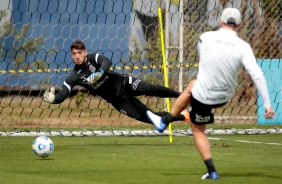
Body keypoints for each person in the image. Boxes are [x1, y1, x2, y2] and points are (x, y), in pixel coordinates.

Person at [146, 7, 275, 180]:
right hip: (224, 97)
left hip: (204, 95)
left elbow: (206, 58)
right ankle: (166, 120)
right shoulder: (244, 46)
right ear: (239, 25)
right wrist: (267, 104)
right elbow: (257, 74)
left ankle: (210, 169)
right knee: (192, 86)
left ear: (220, 21)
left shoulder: (205, 37)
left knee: (198, 130)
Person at [43, 40, 190, 125]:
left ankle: (182, 95)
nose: (77, 56)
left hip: (123, 82)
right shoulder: (74, 76)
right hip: (118, 100)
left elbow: (106, 61)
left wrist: (100, 73)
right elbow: (63, 93)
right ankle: (184, 116)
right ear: (71, 56)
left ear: (85, 53)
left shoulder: (93, 58)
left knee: (150, 88)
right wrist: (54, 100)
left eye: (80, 53)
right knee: (153, 118)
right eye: (74, 54)